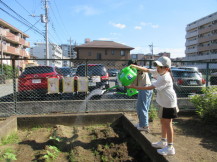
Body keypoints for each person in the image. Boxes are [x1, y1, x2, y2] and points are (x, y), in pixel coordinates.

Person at [126, 56, 178, 156]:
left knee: (168, 124)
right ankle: (163, 141)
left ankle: (170, 147)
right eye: (157, 66)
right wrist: (135, 66)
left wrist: (133, 87)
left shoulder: (165, 78)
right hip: (163, 103)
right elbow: (147, 69)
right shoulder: (160, 72)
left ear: (167, 68)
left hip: (169, 104)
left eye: (160, 67)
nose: (157, 68)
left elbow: (150, 87)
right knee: (163, 122)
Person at [131, 66, 153, 132]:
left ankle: (145, 126)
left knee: (142, 107)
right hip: (146, 89)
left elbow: (134, 85)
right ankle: (141, 123)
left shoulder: (137, 71)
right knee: (141, 107)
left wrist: (127, 85)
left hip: (145, 89)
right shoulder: (138, 71)